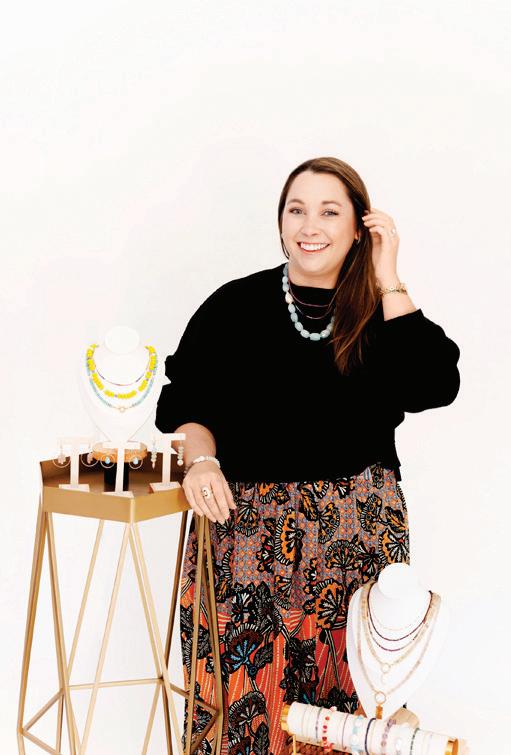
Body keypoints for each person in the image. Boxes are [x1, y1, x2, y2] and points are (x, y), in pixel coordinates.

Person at [155, 156, 461, 755]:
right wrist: (202, 461)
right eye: (296, 210)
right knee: (238, 706)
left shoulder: (380, 311)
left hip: (356, 533)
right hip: (244, 531)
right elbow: (186, 403)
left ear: (359, 227)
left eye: (329, 211)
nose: (310, 225)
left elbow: (434, 384)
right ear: (280, 222)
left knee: (348, 712)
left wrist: (388, 275)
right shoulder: (233, 306)